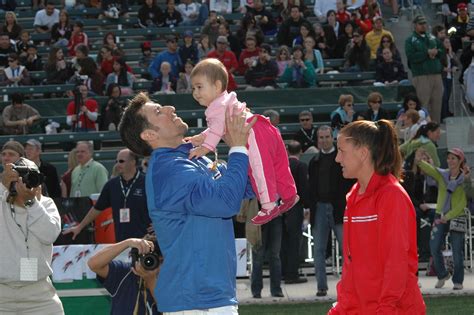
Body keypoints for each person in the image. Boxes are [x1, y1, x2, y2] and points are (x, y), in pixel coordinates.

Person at [117, 92, 256, 313]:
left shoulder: (192, 158)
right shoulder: (169, 169)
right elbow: (226, 203)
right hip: (196, 302)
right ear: (149, 134)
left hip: (208, 296)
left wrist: (250, 139)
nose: (170, 108)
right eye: (159, 111)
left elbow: (245, 186)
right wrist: (237, 148)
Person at [328, 120, 425, 314]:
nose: (337, 158)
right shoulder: (354, 196)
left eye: (342, 151)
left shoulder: (391, 196)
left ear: (363, 153)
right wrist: (341, 308)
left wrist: (386, 309)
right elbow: (352, 265)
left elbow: (396, 262)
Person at [187, 58, 298, 225]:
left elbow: (217, 130)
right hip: (263, 125)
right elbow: (217, 128)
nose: (195, 93)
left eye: (199, 87)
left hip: (253, 134)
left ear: (217, 86)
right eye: (193, 88)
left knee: (259, 170)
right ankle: (290, 195)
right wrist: (202, 137)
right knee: (279, 165)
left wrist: (205, 148)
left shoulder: (215, 107)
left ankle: (268, 206)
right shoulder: (226, 99)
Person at [0, 152, 64, 314]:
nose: (27, 182)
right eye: (21, 177)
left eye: (31, 177)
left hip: (39, 294)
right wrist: (3, 186)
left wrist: (31, 202)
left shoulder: (45, 204)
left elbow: (49, 235)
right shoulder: (2, 200)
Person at [65, 149, 152, 242]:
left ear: (133, 162)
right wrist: (79, 227)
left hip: (145, 239)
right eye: (116, 161)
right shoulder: (112, 185)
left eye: (121, 161)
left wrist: (159, 224)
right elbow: (97, 208)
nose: (118, 164)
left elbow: (161, 205)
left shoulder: (147, 182)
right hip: (122, 241)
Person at [307, 125, 354, 297]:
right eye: (321, 137)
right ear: (317, 139)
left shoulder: (341, 158)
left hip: (339, 208)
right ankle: (321, 286)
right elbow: (311, 187)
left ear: (332, 138)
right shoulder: (314, 161)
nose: (324, 140)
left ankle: (350, 286)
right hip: (319, 207)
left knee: (346, 249)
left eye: (327, 137)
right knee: (318, 249)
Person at [415, 147, 467, 290]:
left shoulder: (465, 179)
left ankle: (458, 281)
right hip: (440, 215)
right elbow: (431, 169)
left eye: (453, 158)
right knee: (434, 247)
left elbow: (463, 203)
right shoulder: (442, 175)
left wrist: (448, 216)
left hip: (457, 216)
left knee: (457, 250)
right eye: (448, 158)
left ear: (460, 160)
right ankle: (442, 274)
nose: (450, 161)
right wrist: (419, 159)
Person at [87, 237, 161, 315]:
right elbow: (93, 264)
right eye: (146, 258)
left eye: (158, 261)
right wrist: (128, 243)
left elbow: (167, 308)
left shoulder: (170, 279)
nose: (150, 263)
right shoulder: (125, 273)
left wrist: (151, 280)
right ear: (137, 258)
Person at [405, 15, 444, 124]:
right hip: (421, 76)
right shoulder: (410, 40)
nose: (423, 26)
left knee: (437, 105)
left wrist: (437, 52)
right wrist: (427, 53)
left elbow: (442, 50)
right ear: (415, 25)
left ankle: (435, 130)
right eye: (420, 24)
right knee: (423, 106)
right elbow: (411, 57)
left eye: (424, 23)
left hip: (436, 75)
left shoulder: (432, 37)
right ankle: (422, 130)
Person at [281, 140, 308, 284]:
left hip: (282, 207)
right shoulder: (301, 166)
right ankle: (292, 274)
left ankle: (284, 272)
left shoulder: (282, 166)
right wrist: (306, 206)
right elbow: (303, 189)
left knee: (284, 242)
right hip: (295, 207)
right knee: (294, 242)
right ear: (301, 152)